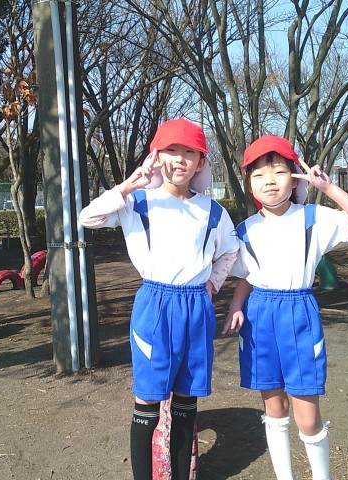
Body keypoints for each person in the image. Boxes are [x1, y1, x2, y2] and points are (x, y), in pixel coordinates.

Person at [79, 118, 239, 480]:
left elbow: (230, 250)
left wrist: (212, 285)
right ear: (156, 155)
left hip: (196, 307)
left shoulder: (213, 211)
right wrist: (129, 184)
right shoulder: (137, 201)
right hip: (155, 305)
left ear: (201, 162)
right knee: (148, 400)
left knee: (185, 401)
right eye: (170, 150)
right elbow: (88, 218)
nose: (179, 159)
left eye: (189, 152)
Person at [222, 135, 348, 480]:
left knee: (307, 416)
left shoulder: (312, 218)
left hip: (299, 314)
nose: (270, 181)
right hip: (260, 317)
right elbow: (247, 275)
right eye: (259, 175)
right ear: (249, 184)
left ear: (295, 178)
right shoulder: (245, 230)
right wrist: (236, 306)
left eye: (279, 172)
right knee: (274, 409)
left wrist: (327, 187)